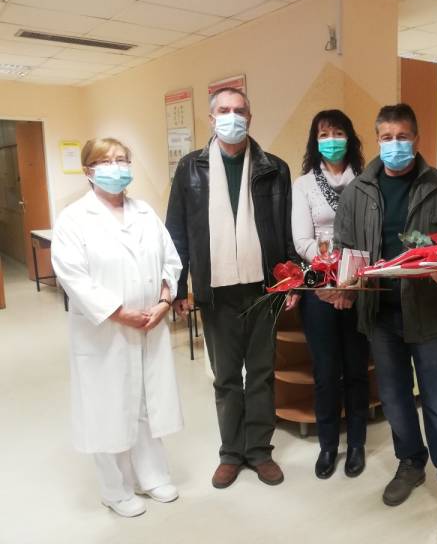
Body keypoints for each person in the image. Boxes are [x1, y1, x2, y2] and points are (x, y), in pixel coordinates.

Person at [333, 103, 437, 538]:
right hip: (379, 315)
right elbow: (344, 248)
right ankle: (411, 463)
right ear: (377, 139)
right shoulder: (358, 191)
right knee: (395, 400)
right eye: (386, 137)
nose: (395, 144)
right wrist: (340, 284)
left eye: (402, 136)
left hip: (429, 314)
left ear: (416, 138)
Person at [166, 87, 299, 490]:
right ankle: (230, 452)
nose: (232, 117)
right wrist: (178, 287)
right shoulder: (190, 169)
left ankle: (258, 450)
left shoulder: (274, 168)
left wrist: (292, 278)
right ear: (211, 119)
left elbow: (286, 230)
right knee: (225, 377)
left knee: (261, 373)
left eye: (239, 110)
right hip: (216, 290)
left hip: (263, 288)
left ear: (250, 118)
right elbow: (177, 231)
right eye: (224, 110)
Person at [52, 138, 183, 518]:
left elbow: (171, 261)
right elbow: (72, 276)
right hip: (104, 331)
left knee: (145, 401)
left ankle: (151, 475)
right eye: (106, 161)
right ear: (88, 170)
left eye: (122, 159)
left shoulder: (144, 213)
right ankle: (115, 489)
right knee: (108, 406)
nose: (117, 167)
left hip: (149, 324)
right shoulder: (74, 219)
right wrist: (118, 312)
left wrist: (164, 300)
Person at [292, 109, 369, 479]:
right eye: (324, 134)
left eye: (338, 132)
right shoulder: (303, 185)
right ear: (315, 140)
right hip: (320, 288)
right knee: (325, 372)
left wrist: (349, 280)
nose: (332, 140)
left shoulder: (367, 181)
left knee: (356, 369)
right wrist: (331, 272)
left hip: (357, 287)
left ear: (349, 137)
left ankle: (356, 444)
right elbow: (302, 240)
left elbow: (371, 234)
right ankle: (328, 445)